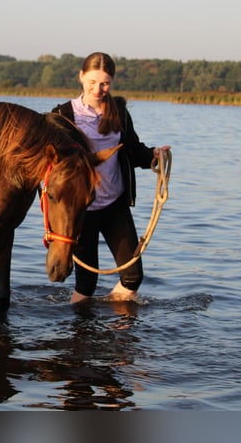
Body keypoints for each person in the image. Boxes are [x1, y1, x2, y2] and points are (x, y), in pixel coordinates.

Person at [52, 52, 170, 303]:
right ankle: (82, 335)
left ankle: (116, 329)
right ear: (81, 77)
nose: (98, 89)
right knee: (86, 284)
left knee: (133, 277)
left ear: (112, 82)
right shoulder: (62, 116)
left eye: (104, 83)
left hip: (114, 205)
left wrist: (153, 155)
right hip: (80, 210)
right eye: (92, 82)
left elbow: (132, 150)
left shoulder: (120, 113)